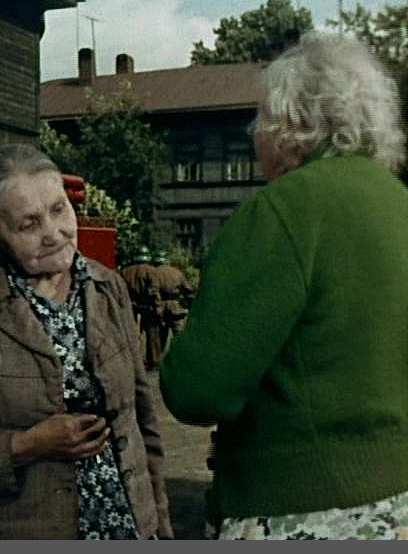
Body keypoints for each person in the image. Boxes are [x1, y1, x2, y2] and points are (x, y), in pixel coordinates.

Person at [161, 31, 408, 540]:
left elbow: (198, 390)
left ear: (290, 122)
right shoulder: (398, 201)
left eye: (260, 119)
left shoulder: (282, 211)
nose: (255, 135)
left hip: (302, 508)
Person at [0, 143, 172, 539]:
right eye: (28, 225)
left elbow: (142, 424)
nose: (53, 234)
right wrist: (28, 444)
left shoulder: (108, 287)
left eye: (59, 209)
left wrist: (159, 526)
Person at [120, 246, 162, 369]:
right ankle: (153, 361)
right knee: (152, 335)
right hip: (148, 305)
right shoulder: (151, 270)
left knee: (129, 334)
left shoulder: (125, 271)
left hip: (130, 306)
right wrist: (157, 305)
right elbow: (153, 290)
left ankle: (130, 360)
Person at [150, 250, 193, 351]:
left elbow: (153, 291)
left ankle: (158, 359)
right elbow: (188, 290)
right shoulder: (177, 272)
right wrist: (189, 304)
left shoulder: (153, 273)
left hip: (159, 309)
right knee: (180, 337)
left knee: (158, 342)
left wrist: (157, 306)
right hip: (177, 308)